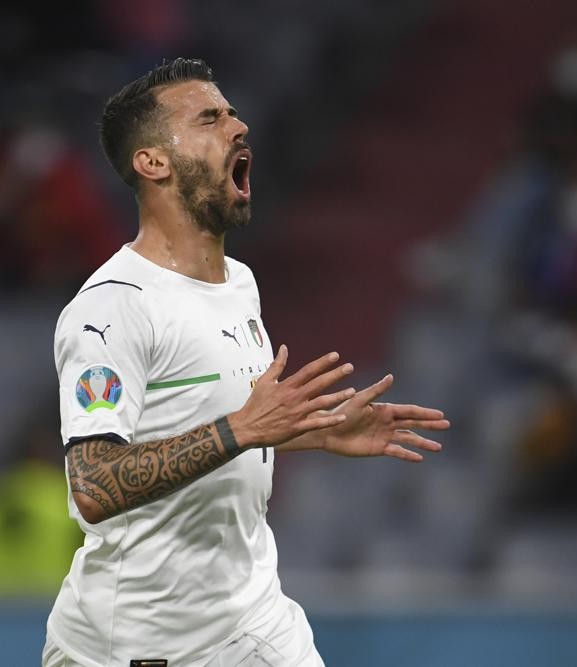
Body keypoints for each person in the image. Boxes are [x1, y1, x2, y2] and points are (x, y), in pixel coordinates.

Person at [44, 58, 450, 667]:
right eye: (210, 118)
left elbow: (205, 423)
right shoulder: (111, 312)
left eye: (233, 113)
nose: (239, 127)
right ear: (152, 162)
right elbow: (94, 485)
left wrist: (313, 428)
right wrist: (244, 429)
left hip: (251, 618)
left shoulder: (239, 283)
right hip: (138, 646)